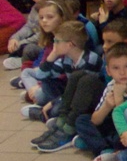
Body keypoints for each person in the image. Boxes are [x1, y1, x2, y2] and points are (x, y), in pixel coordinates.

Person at [29, 20, 103, 151]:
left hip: (88, 101)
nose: (54, 44)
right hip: (73, 99)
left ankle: (67, 128)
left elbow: (84, 90)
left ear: (69, 45)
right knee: (49, 86)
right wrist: (53, 55)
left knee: (57, 108)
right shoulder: (66, 59)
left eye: (57, 41)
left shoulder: (90, 59)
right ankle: (60, 123)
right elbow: (40, 75)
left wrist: (54, 102)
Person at [83, 43, 127, 161]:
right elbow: (95, 120)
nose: (122, 73)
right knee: (82, 120)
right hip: (121, 133)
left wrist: (119, 98)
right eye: (116, 68)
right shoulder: (111, 86)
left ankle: (122, 160)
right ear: (108, 71)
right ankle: (108, 150)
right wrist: (107, 106)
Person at [4, 0, 54, 70]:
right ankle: (23, 57)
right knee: (14, 45)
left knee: (28, 48)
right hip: (38, 42)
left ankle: (26, 61)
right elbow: (29, 27)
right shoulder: (35, 7)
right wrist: (15, 38)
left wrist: (21, 43)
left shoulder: (52, 9)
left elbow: (43, 34)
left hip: (48, 45)